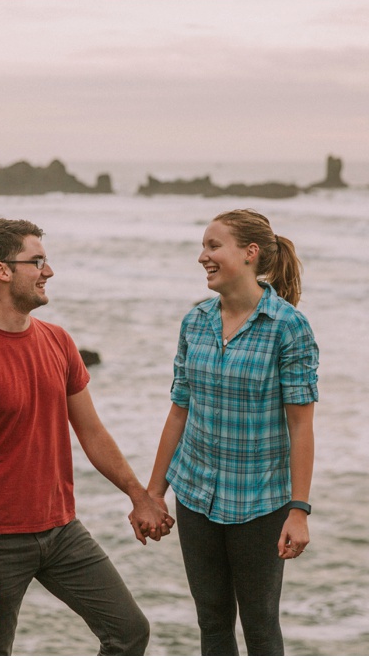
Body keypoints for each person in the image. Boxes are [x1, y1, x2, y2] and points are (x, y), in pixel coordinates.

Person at [0, 218, 172, 655]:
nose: (48, 271)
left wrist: (138, 495)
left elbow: (92, 433)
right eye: (36, 261)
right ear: (2, 271)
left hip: (62, 531)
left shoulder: (58, 342)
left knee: (129, 631)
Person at [145, 208, 319, 655]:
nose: (202, 256)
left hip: (260, 504)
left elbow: (301, 426)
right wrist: (152, 493)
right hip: (196, 497)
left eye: (213, 245)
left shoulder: (288, 327)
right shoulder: (195, 322)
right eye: (204, 246)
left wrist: (298, 511)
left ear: (249, 253)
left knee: (260, 629)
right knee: (213, 624)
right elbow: (178, 412)